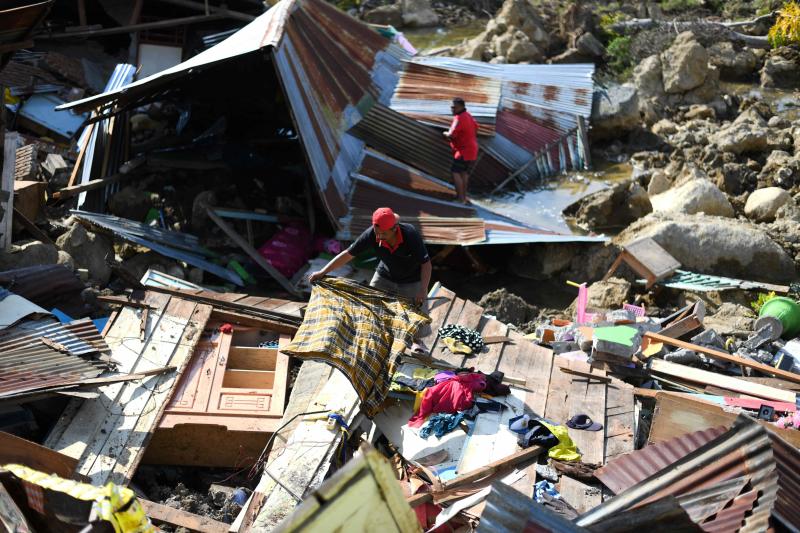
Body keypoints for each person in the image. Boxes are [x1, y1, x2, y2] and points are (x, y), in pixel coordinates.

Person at [307, 207, 432, 306]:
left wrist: (423, 289)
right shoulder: (372, 234)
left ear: (394, 228)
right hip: (385, 275)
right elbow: (348, 254)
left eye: (383, 233)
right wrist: (323, 272)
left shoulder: (410, 234)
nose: (379, 237)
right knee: (370, 306)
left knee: (416, 317)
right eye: (377, 233)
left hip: (411, 281)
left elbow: (426, 264)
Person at [443, 97, 478, 204]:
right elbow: (476, 127)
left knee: (455, 172)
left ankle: (460, 199)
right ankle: (464, 197)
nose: (452, 109)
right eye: (451, 107)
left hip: (463, 151)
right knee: (464, 173)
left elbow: (451, 134)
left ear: (461, 107)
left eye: (454, 107)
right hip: (472, 149)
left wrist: (445, 133)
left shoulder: (459, 118)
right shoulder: (468, 116)